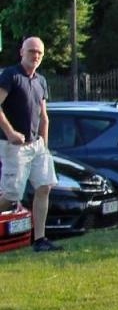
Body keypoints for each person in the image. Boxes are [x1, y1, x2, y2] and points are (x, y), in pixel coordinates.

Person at [0, 37, 60, 252]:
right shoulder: (10, 75)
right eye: (32, 51)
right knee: (10, 196)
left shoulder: (41, 81)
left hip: (37, 146)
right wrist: (11, 132)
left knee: (45, 186)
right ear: (22, 52)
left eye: (39, 53)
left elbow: (44, 116)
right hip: (14, 146)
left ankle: (40, 240)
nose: (36, 56)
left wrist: (45, 145)